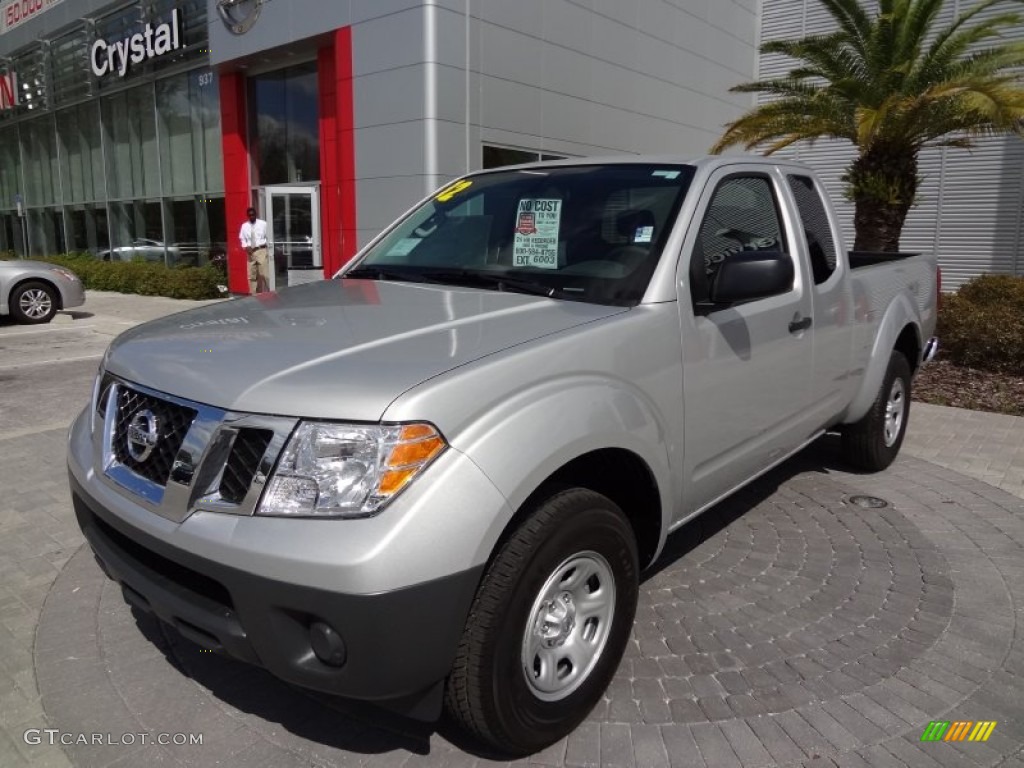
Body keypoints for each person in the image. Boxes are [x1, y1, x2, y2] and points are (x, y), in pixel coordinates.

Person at [239, 207, 269, 293]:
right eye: (249, 215)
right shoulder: (244, 226)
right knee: (252, 275)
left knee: (264, 274)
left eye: (253, 215)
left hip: (261, 250)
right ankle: (254, 294)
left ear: (256, 214)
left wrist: (264, 244)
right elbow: (242, 239)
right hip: (250, 252)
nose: (251, 216)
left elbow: (269, 237)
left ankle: (270, 292)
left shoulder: (263, 224)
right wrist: (245, 247)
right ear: (247, 216)